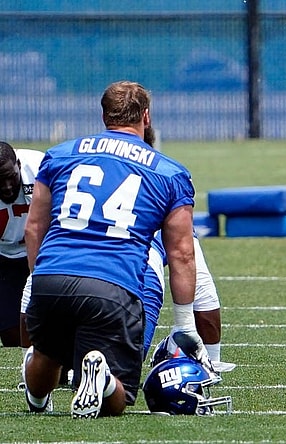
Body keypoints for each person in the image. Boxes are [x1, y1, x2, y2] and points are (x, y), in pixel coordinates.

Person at [22, 80, 204, 418]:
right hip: (112, 284)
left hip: (51, 275)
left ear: (105, 115)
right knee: (118, 399)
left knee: (46, 356)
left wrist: (41, 278)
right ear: (145, 117)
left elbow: (34, 227)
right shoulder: (169, 171)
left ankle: (35, 399)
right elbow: (180, 252)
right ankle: (103, 379)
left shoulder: (61, 154)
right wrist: (185, 326)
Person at [143, 231, 236, 372]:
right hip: (137, 269)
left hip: (112, 262)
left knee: (119, 364)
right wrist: (184, 327)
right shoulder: (172, 217)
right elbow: (204, 294)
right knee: (122, 367)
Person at [0, 142, 44, 347]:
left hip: (42, 251)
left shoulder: (40, 167)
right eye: (0, 181)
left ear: (18, 164)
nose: (8, 186)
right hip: (4, 256)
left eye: (11, 176)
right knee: (11, 334)